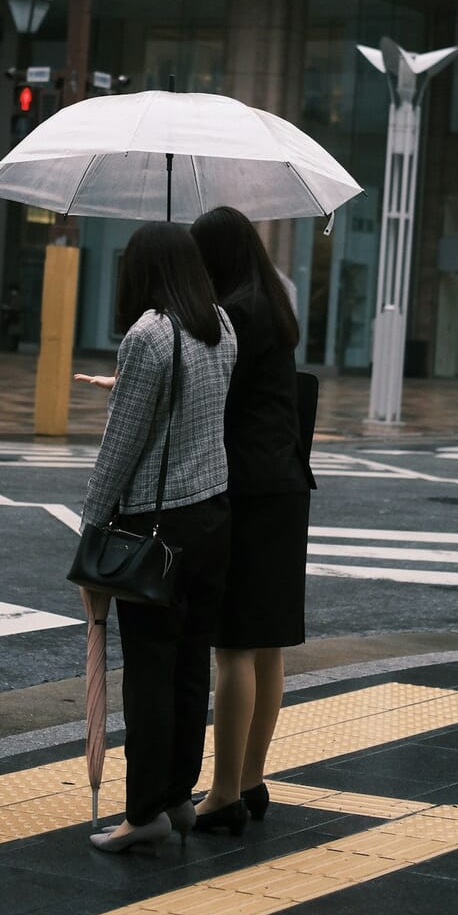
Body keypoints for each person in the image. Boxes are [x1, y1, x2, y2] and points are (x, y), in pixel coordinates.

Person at [81, 221, 236, 856]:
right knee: (189, 665)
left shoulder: (148, 335)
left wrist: (91, 527)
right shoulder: (221, 325)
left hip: (157, 524)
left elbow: (122, 446)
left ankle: (142, 811)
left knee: (148, 671)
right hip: (212, 516)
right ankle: (177, 795)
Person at [190, 206, 313, 834]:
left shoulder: (230, 314)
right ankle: (251, 778)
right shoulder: (277, 307)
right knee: (265, 647)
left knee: (231, 646)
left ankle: (221, 794)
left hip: (245, 491)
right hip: (287, 488)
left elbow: (210, 396)